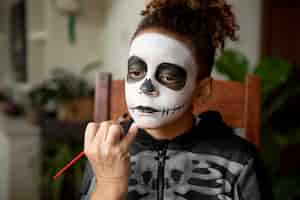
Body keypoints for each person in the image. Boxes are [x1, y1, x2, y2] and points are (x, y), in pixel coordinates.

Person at [80, 0, 274, 199]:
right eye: (136, 72)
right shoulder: (106, 151)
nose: (146, 88)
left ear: (202, 89)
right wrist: (109, 184)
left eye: (168, 77)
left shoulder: (239, 160)